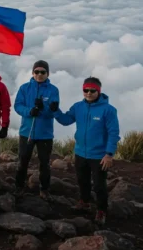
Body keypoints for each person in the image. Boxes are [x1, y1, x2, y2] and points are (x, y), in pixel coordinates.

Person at [50, 76, 120, 226]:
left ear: (98, 91)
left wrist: (109, 154)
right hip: (80, 152)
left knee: (99, 185)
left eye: (92, 90)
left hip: (99, 155)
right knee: (82, 180)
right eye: (85, 90)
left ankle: (102, 210)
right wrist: (56, 111)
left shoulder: (108, 110)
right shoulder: (78, 107)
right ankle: (85, 202)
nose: (88, 93)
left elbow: (113, 133)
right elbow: (66, 120)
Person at [13, 60, 60, 200]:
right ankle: (19, 187)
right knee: (23, 161)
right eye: (36, 72)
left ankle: (44, 189)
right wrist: (30, 111)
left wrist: (45, 109)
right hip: (26, 132)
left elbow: (53, 112)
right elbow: (17, 106)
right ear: (32, 73)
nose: (39, 74)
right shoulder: (24, 88)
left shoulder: (53, 90)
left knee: (44, 163)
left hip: (45, 134)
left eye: (42, 72)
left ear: (48, 73)